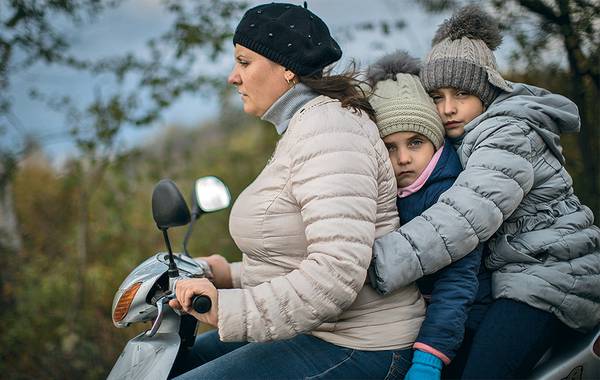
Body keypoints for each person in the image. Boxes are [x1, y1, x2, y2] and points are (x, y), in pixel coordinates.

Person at [167, 3, 426, 379]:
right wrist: (229, 275)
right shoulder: (306, 128)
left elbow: (336, 274)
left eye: (244, 62)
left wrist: (225, 308)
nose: (232, 77)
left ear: (286, 68)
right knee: (175, 361)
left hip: (360, 344)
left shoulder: (332, 131)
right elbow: (297, 256)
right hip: (316, 329)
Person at [368, 5, 600, 379]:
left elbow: (465, 215)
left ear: (487, 92)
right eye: (437, 96)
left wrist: (374, 261)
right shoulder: (464, 138)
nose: (448, 108)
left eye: (461, 93)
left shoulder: (506, 134)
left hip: (550, 276)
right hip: (515, 273)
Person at [366, 51, 482, 380]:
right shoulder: (388, 192)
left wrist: (430, 357)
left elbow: (457, 282)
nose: (403, 158)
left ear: (435, 141)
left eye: (415, 142)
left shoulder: (448, 195)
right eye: (390, 147)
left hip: (463, 319)